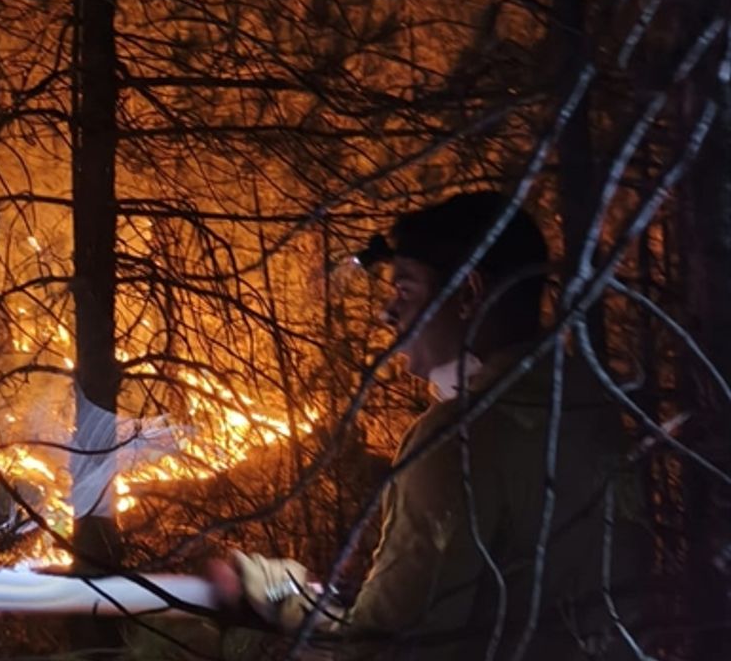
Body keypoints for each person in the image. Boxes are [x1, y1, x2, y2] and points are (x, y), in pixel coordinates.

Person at [209, 191, 650, 660]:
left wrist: (278, 597)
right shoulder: (590, 408)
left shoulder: (458, 439)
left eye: (405, 291)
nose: (387, 313)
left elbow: (380, 650)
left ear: (468, 294)